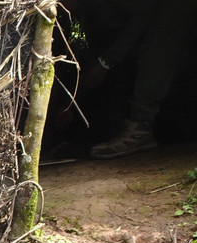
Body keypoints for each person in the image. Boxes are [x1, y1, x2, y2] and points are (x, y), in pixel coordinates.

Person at [73, 0, 197, 159]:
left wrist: (107, 61)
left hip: (174, 9)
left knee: (158, 45)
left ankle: (140, 125)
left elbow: (147, 12)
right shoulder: (84, 13)